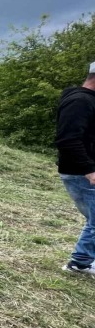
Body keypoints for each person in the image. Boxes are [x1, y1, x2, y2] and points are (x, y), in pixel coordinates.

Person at [56, 61, 95, 276]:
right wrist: (90, 170)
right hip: (82, 173)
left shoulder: (84, 99)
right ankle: (80, 264)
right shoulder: (80, 101)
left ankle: (82, 261)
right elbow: (67, 139)